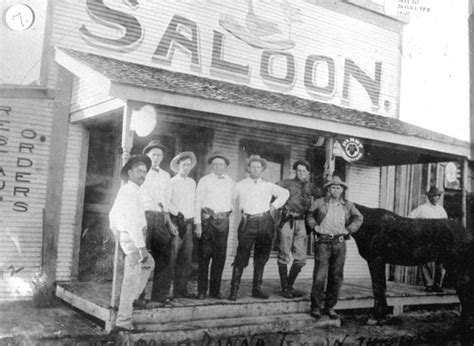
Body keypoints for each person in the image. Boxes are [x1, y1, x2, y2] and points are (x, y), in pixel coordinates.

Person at [228, 155, 290, 301]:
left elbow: (285, 193)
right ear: (248, 168)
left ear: (262, 169)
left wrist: (274, 206)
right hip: (248, 222)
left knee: (261, 256)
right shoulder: (240, 184)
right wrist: (231, 210)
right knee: (241, 255)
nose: (255, 169)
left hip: (265, 222)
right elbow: (230, 198)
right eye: (252, 167)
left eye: (258, 167)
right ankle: (234, 290)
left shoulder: (267, 185)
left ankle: (257, 289)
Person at [109, 155, 155, 331]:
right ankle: (123, 320)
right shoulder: (129, 191)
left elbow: (112, 215)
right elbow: (132, 222)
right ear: (129, 172)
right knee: (133, 277)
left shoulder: (131, 190)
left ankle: (129, 300)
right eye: (139, 171)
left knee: (148, 265)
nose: (143, 174)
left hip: (129, 236)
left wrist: (116, 231)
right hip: (133, 237)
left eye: (145, 171)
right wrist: (141, 247)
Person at [306, 176, 363, 320]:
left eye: (338, 188)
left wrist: (348, 229)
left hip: (339, 243)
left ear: (342, 190)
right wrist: (315, 226)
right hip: (323, 243)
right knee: (320, 276)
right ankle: (316, 307)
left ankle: (330, 307)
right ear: (328, 189)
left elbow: (358, 218)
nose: (335, 190)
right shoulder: (320, 203)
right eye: (333, 187)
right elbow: (310, 215)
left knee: (336, 277)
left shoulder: (348, 205)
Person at [276, 160, 321, 298]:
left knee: (301, 258)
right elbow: (270, 192)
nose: (301, 173)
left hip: (302, 222)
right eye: (299, 170)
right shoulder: (286, 183)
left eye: (304, 171)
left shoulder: (311, 187)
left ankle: (289, 286)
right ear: (295, 171)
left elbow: (322, 198)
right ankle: (285, 288)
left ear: (308, 173)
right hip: (287, 221)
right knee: (284, 255)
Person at [195, 152, 235, 299]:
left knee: (220, 257)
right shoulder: (204, 180)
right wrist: (198, 224)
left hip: (223, 222)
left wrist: (229, 211)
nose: (218, 166)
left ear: (225, 166)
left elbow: (233, 200)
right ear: (211, 165)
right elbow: (198, 202)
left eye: (221, 164)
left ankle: (215, 291)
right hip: (207, 222)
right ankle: (201, 291)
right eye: (215, 164)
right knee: (204, 257)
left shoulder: (230, 182)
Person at [140, 140, 175, 303]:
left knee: (164, 255)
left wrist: (168, 221)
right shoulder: (141, 172)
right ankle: (138, 295)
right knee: (142, 256)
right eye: (153, 154)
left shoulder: (166, 175)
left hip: (160, 217)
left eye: (159, 155)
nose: (156, 158)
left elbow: (166, 200)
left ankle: (160, 295)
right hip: (144, 216)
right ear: (147, 155)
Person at [167, 151, 197, 298]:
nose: (186, 167)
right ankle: (168, 291)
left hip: (189, 224)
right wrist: (177, 213)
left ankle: (181, 290)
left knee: (186, 257)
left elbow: (193, 203)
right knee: (172, 257)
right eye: (183, 165)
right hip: (176, 222)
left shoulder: (192, 183)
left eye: (188, 165)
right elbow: (167, 202)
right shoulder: (172, 182)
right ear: (178, 166)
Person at [409, 186, 448, 293]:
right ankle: (429, 284)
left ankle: (438, 284)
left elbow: (446, 224)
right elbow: (410, 218)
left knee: (440, 262)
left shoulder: (441, 209)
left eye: (437, 196)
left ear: (439, 197)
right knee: (423, 260)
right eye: (432, 196)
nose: (435, 198)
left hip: (439, 239)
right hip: (425, 238)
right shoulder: (422, 208)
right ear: (429, 197)